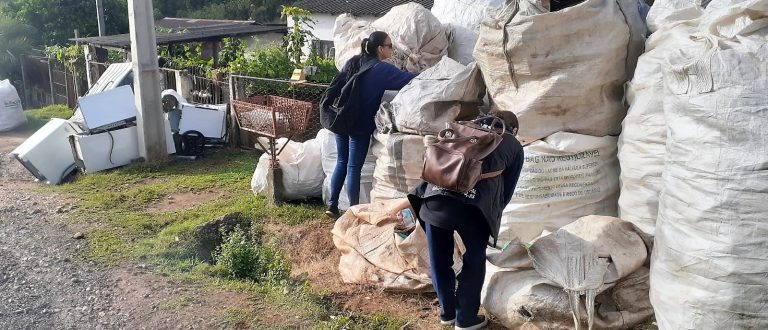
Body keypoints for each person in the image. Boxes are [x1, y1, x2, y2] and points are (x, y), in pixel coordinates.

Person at [407, 111, 525, 330]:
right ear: (513, 129)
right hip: (474, 208)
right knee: (474, 260)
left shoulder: (461, 128)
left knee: (440, 259)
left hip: (433, 199)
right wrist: (492, 214)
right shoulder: (512, 144)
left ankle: (447, 313)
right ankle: (466, 319)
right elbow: (506, 193)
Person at [326, 31, 417, 217]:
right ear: (380, 49)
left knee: (341, 162)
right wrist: (435, 70)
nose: (392, 49)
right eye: (390, 46)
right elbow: (410, 79)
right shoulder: (382, 70)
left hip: (341, 118)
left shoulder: (353, 61)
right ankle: (353, 211)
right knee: (353, 167)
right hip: (359, 124)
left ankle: (332, 205)